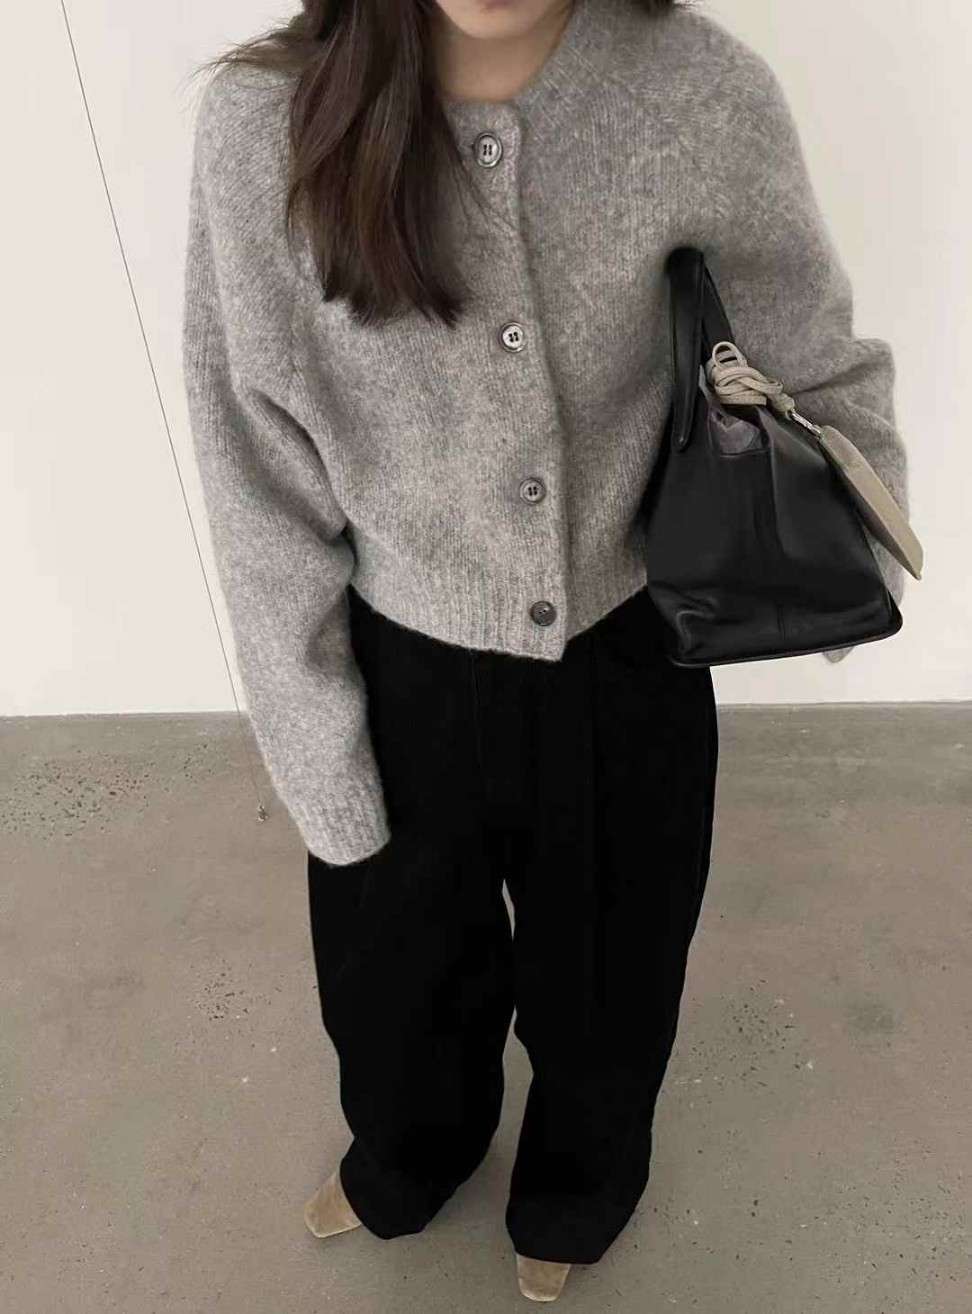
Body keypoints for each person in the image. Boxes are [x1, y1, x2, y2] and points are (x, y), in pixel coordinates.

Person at [181, 0, 908, 1300]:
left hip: (628, 657)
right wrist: (313, 741)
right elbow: (254, 469)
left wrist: (840, 545)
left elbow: (808, 346)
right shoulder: (265, 121)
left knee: (615, 982)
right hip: (393, 669)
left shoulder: (698, 86)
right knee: (393, 984)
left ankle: (577, 1191)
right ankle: (409, 1154)